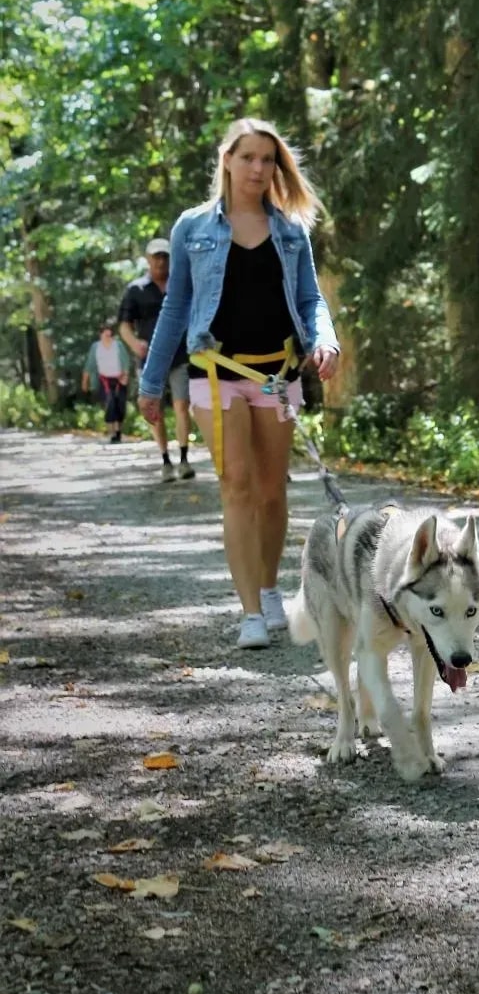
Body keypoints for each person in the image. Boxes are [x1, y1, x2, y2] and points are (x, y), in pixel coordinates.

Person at [138, 118, 340, 649]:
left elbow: (311, 299)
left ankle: (270, 590)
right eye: (248, 157)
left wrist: (326, 340)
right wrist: (151, 382)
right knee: (238, 486)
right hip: (215, 374)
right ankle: (250, 611)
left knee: (272, 491)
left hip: (277, 375)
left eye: (267, 160)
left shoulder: (290, 229)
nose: (258, 168)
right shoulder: (192, 228)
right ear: (226, 160)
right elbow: (176, 307)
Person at [119, 238, 195, 483]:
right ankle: (165, 461)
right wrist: (134, 344)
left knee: (182, 406)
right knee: (155, 410)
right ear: (148, 259)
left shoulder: (181, 284)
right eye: (156, 257)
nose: (161, 261)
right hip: (150, 360)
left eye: (165, 256)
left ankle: (184, 459)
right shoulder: (136, 290)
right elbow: (124, 326)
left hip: (181, 355)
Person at [81, 323, 131, 442]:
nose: (108, 337)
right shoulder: (96, 347)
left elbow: (126, 362)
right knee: (110, 404)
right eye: (106, 335)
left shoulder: (118, 345)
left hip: (119, 379)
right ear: (101, 335)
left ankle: (118, 432)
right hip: (104, 381)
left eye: (110, 335)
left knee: (120, 406)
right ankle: (112, 432)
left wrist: (125, 376)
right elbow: (89, 365)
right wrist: (85, 381)